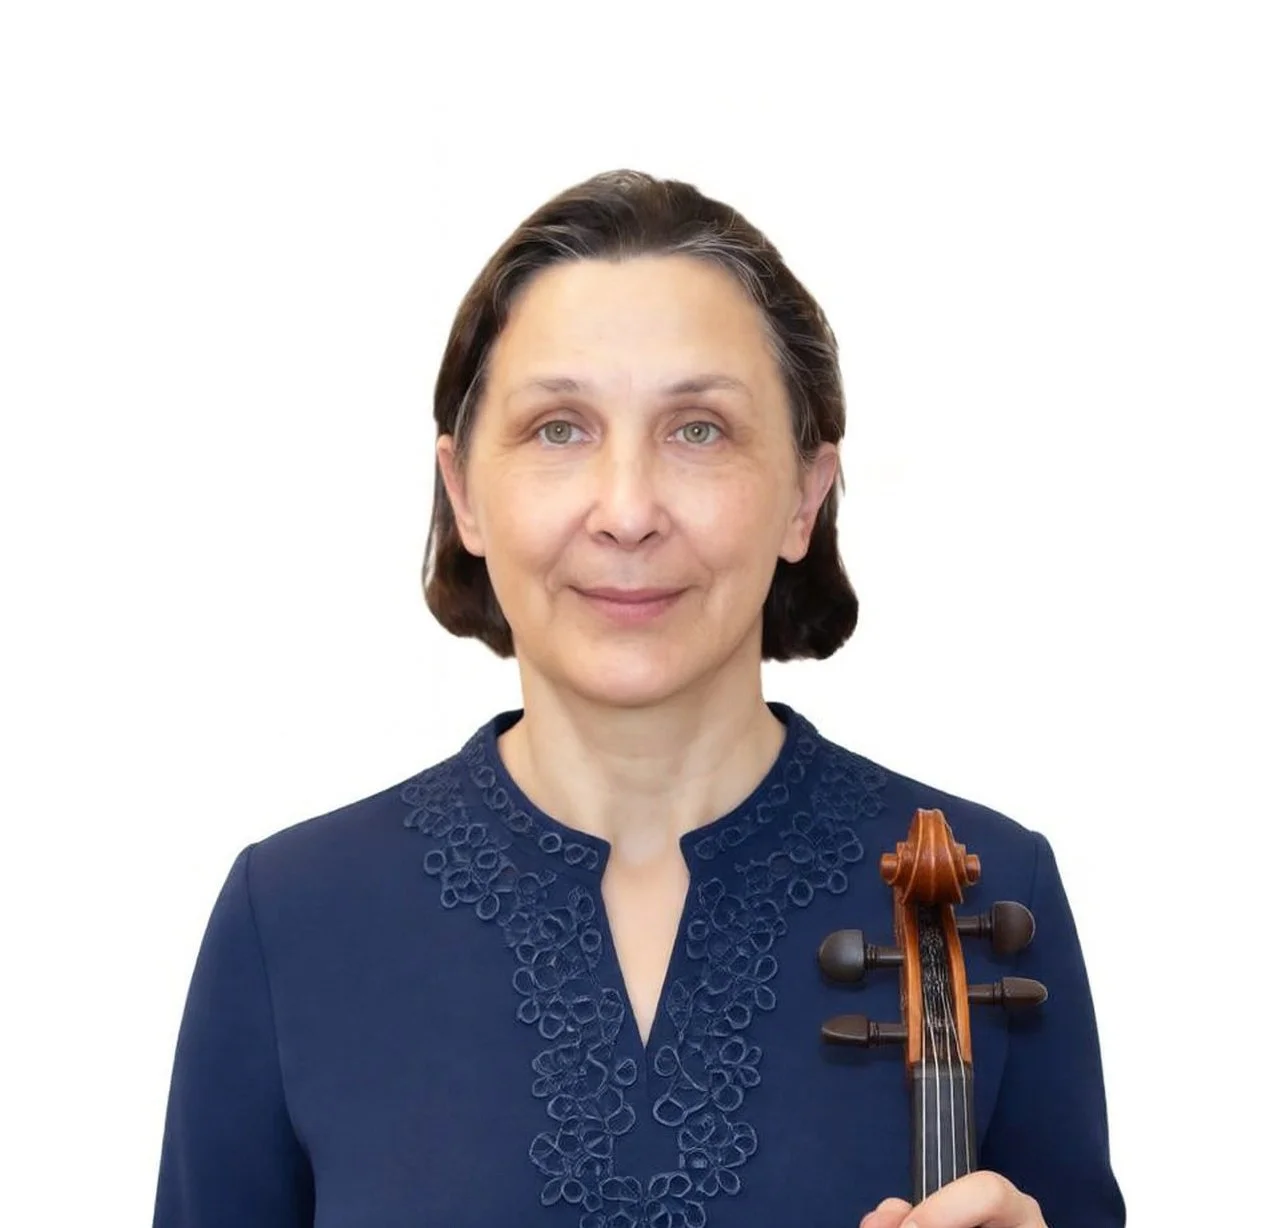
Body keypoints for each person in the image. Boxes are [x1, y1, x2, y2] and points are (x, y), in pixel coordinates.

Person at [151, 169, 1125, 1228]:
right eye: (558, 428)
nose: (626, 509)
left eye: (697, 429)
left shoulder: (992, 892)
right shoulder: (289, 917)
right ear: (464, 492)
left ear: (805, 492)